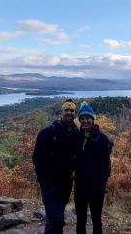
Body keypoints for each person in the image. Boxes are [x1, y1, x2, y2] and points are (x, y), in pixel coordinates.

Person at [32, 99, 79, 234]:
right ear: (61, 112)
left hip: (66, 184)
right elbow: (37, 158)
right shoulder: (48, 132)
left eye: (72, 111)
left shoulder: (75, 133)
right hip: (50, 184)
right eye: (66, 110)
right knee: (56, 220)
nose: (69, 113)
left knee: (54, 220)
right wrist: (44, 179)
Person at [75, 101, 112, 234]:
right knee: (80, 217)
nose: (85, 121)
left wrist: (101, 183)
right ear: (79, 120)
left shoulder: (102, 138)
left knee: (96, 217)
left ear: (92, 119)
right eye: (82, 118)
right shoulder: (77, 136)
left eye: (88, 118)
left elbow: (106, 165)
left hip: (96, 186)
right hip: (80, 185)